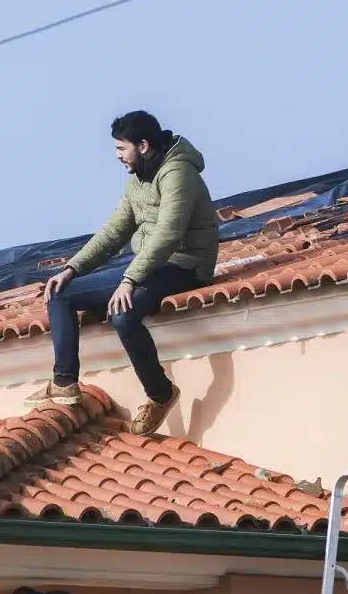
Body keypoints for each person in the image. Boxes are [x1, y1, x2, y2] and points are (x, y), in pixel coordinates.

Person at [31, 110, 221, 437]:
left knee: (122, 315)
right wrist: (73, 267)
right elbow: (116, 229)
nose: (118, 156)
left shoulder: (178, 173)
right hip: (150, 263)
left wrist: (129, 280)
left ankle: (160, 394)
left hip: (186, 264)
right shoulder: (137, 177)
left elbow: (168, 233)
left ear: (143, 145)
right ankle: (64, 383)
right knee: (61, 293)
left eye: (122, 148)